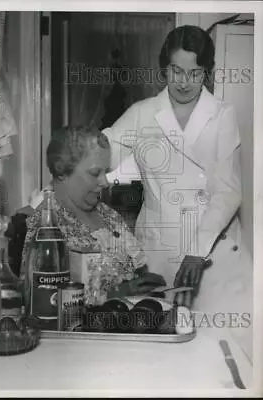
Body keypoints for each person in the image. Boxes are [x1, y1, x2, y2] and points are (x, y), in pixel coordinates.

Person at [103, 25, 253, 357]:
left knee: (223, 350)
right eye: (176, 71)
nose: (184, 81)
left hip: (213, 254)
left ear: (207, 73)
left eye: (195, 73)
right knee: (159, 352)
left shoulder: (222, 115)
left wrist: (198, 251)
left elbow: (228, 191)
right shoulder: (143, 113)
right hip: (160, 254)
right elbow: (102, 151)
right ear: (164, 68)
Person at [19, 125, 166, 305]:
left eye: (106, 172)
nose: (105, 182)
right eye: (95, 173)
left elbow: (136, 268)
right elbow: (38, 301)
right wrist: (118, 293)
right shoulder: (44, 227)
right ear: (61, 171)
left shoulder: (109, 215)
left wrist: (147, 283)